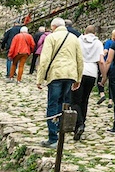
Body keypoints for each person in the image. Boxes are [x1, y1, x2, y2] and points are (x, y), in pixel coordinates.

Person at [36, 17, 84, 148]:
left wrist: (40, 79)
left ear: (53, 27)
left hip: (56, 74)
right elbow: (80, 59)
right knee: (63, 103)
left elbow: (45, 59)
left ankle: (53, 137)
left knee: (53, 104)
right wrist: (78, 78)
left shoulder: (51, 38)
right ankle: (59, 130)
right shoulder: (74, 38)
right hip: (70, 74)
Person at [72, 25, 105, 141]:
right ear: (95, 33)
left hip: (79, 71)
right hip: (92, 73)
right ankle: (82, 122)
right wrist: (104, 76)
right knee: (85, 99)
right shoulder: (98, 43)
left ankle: (79, 124)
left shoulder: (78, 40)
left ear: (84, 32)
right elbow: (101, 61)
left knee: (75, 100)